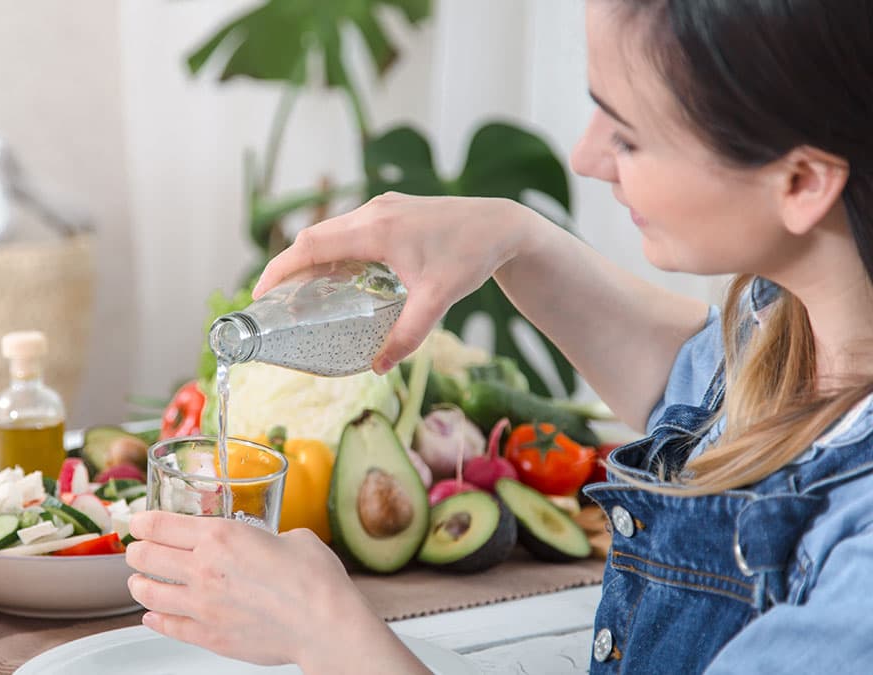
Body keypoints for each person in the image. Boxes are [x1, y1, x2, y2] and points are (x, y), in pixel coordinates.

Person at [125, 0, 873, 671]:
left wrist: (328, 635)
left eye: (630, 137)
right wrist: (515, 238)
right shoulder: (797, 321)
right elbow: (700, 386)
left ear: (803, 182)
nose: (586, 158)